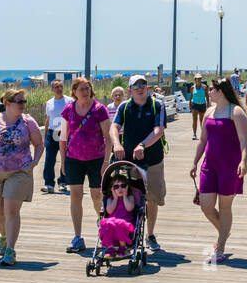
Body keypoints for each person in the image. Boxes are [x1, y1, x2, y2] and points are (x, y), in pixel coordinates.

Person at [0, 89, 43, 266]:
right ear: (7, 103)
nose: (23, 105)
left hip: (19, 171)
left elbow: (39, 144)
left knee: (11, 210)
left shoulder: (28, 122)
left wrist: (34, 162)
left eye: (24, 101)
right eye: (19, 101)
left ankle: (10, 250)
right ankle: (4, 235)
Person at [190, 75, 247, 263]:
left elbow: (243, 140)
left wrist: (244, 161)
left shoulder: (236, 112)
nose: (209, 91)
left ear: (220, 91)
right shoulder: (209, 112)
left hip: (230, 166)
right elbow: (202, 140)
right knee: (206, 206)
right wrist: (194, 162)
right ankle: (224, 231)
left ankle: (221, 246)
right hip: (210, 164)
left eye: (212, 89)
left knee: (225, 207)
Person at [110, 75, 168, 253]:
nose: (140, 88)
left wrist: (143, 144)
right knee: (130, 197)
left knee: (152, 199)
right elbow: (114, 127)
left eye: (143, 85)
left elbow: (159, 130)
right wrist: (116, 144)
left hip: (153, 159)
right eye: (136, 86)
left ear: (148, 88)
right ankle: (129, 234)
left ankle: (150, 235)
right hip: (130, 161)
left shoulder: (157, 105)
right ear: (130, 90)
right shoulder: (125, 107)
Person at [59, 78, 112, 253]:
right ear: (74, 91)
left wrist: (106, 161)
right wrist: (63, 161)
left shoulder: (99, 109)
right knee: (75, 195)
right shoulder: (69, 109)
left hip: (96, 159)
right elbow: (63, 137)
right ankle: (77, 236)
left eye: (87, 88)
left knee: (96, 195)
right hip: (74, 158)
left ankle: (101, 221)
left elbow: (108, 137)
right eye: (82, 89)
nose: (85, 92)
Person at [98, 173, 137, 258]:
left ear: (127, 187)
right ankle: (110, 248)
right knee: (107, 224)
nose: (120, 189)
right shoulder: (110, 199)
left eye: (123, 186)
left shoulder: (130, 197)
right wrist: (115, 198)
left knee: (120, 224)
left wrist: (125, 196)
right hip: (112, 226)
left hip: (126, 226)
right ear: (112, 189)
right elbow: (109, 210)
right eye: (116, 187)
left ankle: (123, 248)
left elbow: (129, 208)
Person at [42, 80, 71, 193]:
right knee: (49, 159)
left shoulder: (70, 101)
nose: (59, 88)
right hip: (52, 133)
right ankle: (48, 184)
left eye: (61, 86)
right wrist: (45, 138)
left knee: (65, 159)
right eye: (56, 86)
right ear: (52, 89)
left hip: (65, 133)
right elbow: (48, 120)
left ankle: (63, 182)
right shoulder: (49, 103)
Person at [190, 74, 209, 140]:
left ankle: (203, 134)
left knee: (202, 120)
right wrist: (190, 105)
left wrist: (208, 104)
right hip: (194, 104)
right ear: (195, 80)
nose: (198, 80)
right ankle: (194, 134)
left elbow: (207, 96)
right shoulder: (192, 87)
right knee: (194, 120)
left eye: (200, 78)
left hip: (202, 104)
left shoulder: (204, 87)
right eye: (197, 78)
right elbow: (191, 97)